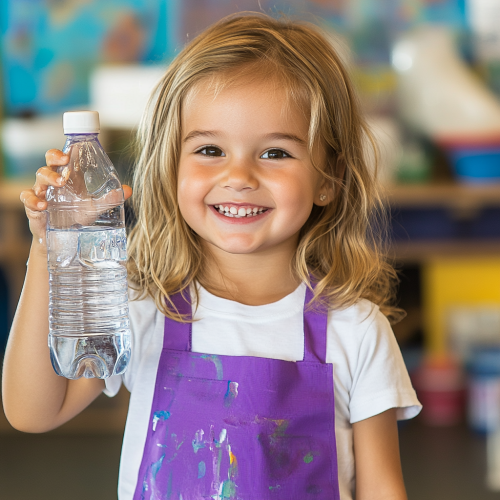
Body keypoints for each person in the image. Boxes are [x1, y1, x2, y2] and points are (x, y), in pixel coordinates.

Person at [3, 13, 421, 500]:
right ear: (171, 165)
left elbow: (383, 488)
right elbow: (32, 411)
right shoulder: (144, 308)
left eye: (275, 154)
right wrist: (46, 248)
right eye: (209, 149)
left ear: (328, 178)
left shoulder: (357, 329)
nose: (239, 175)